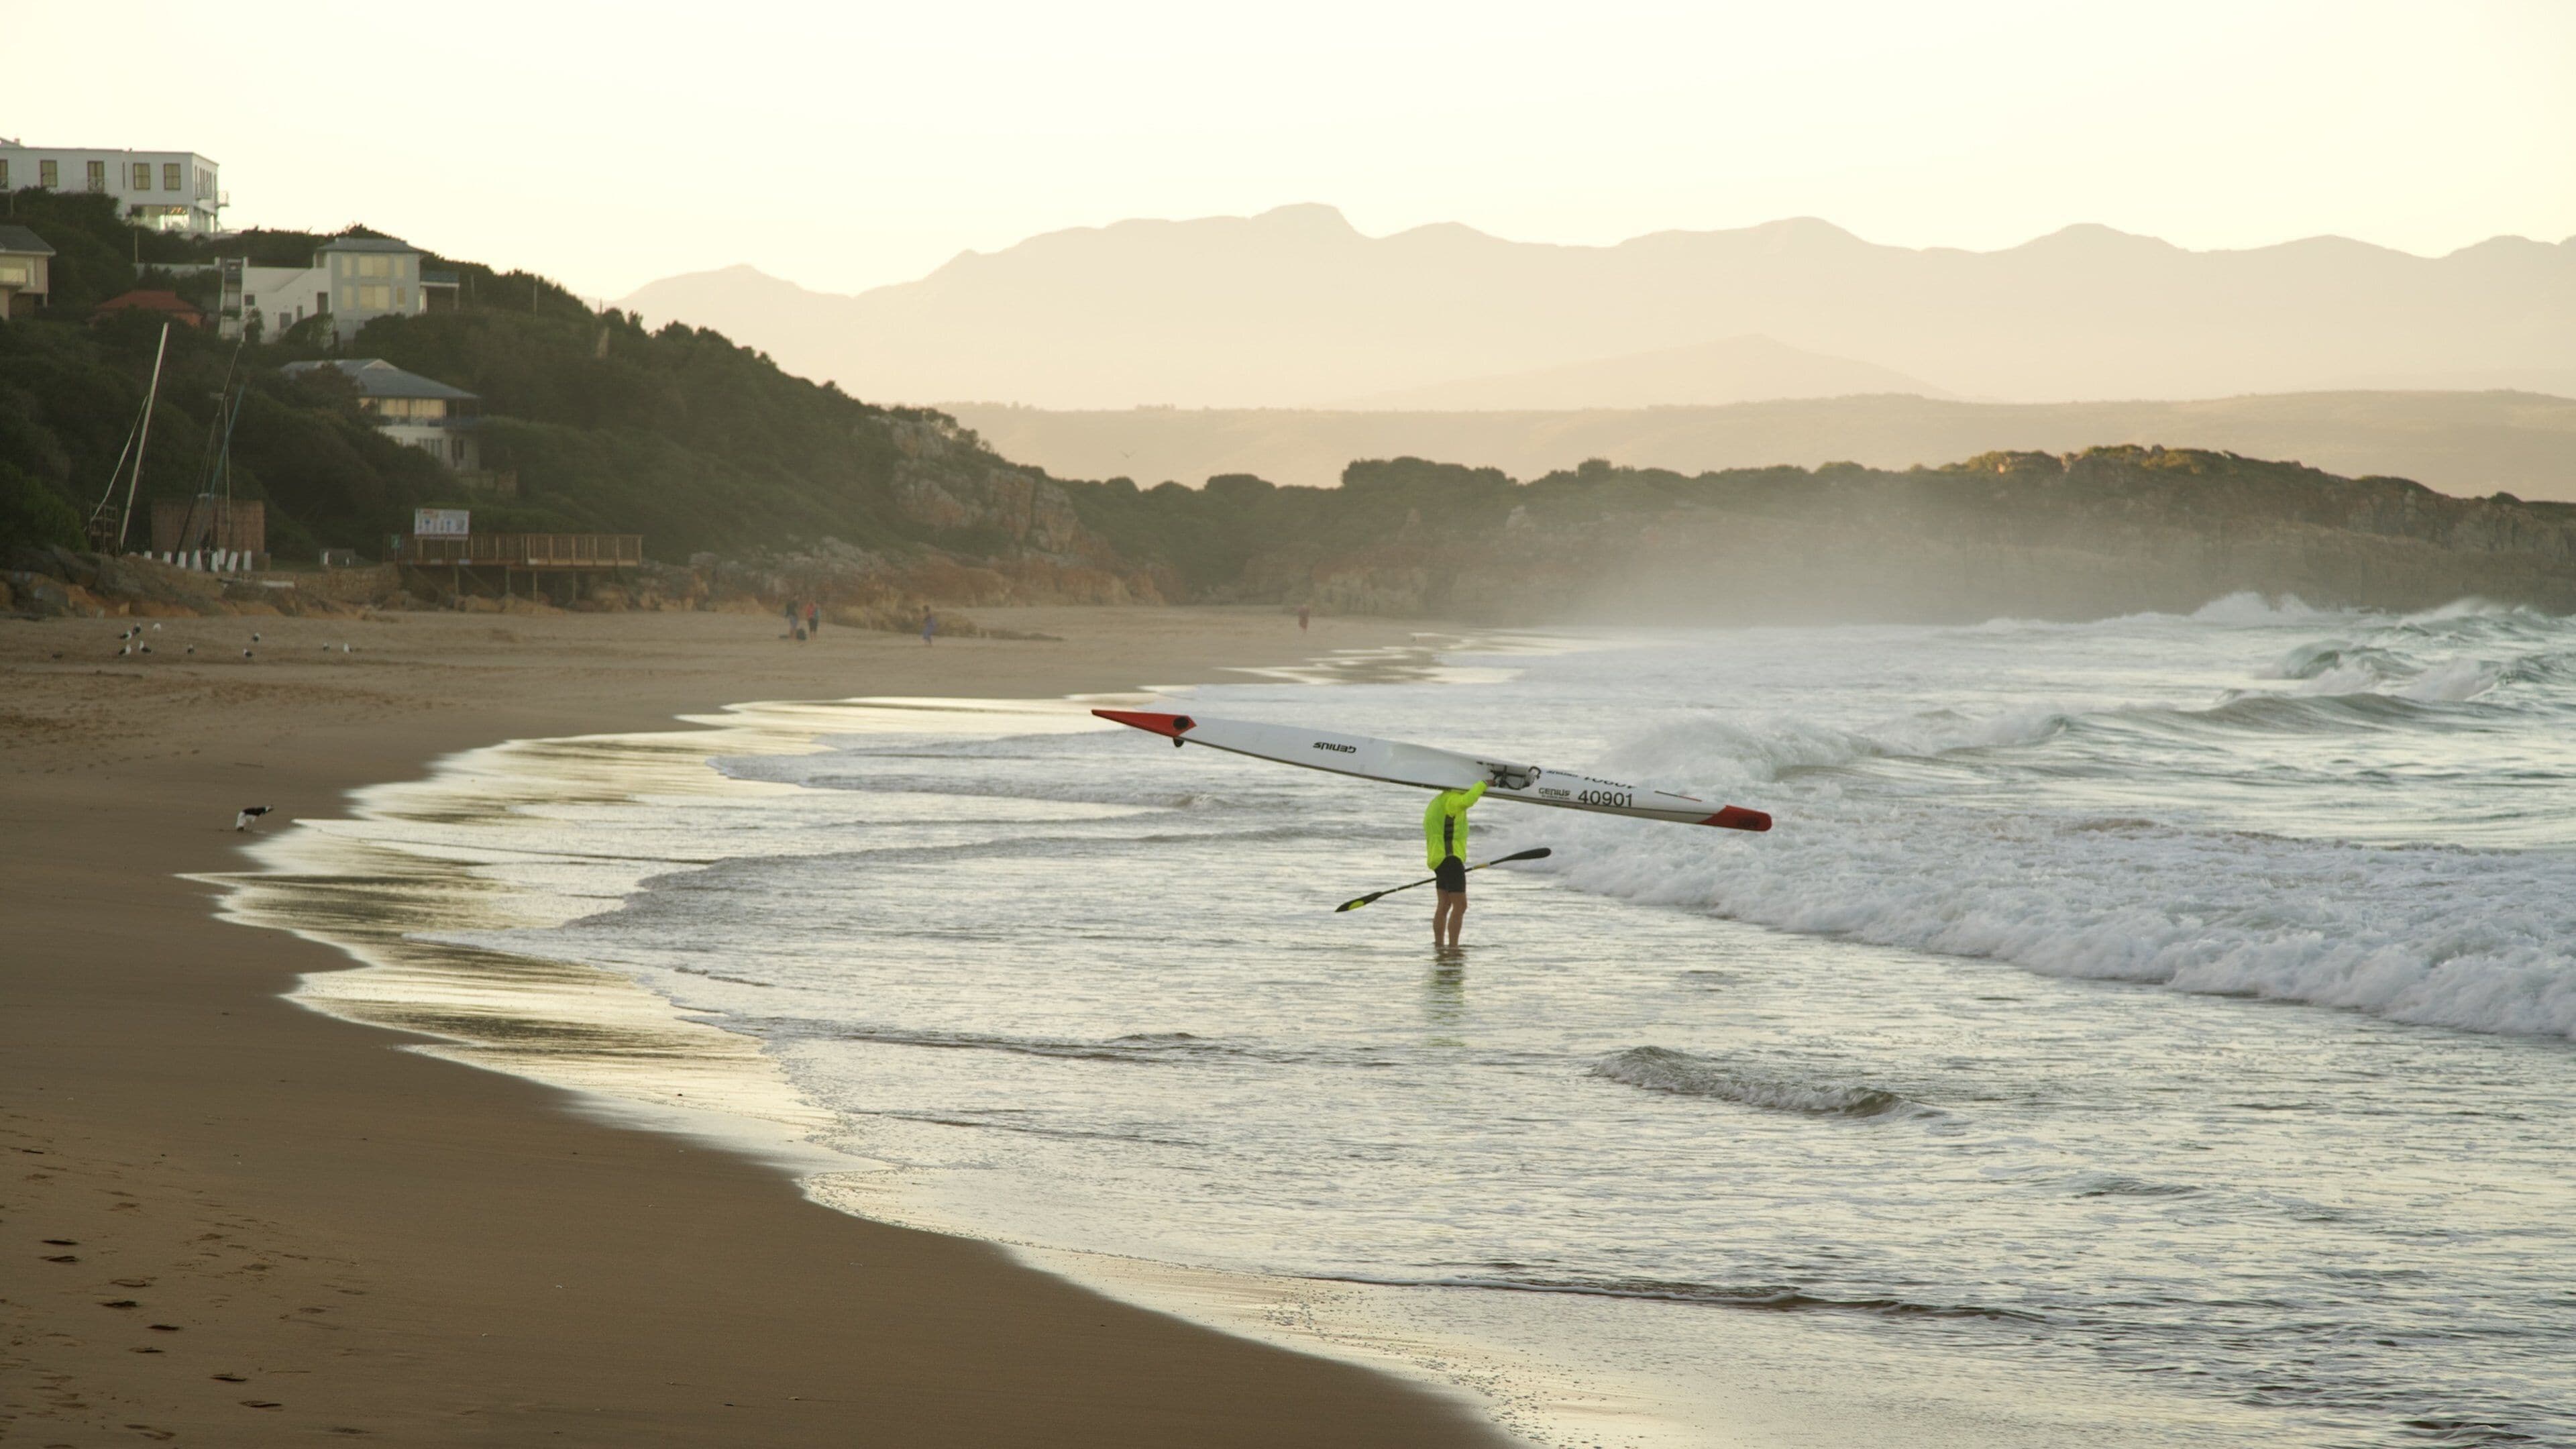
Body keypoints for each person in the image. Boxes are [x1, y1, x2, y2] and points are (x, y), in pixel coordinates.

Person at [1422, 779, 1487, 947]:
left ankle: (1439, 945)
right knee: (1461, 906)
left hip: (1439, 860)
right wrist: (1484, 784)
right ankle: (1453, 948)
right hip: (1450, 858)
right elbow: (1468, 801)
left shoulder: (1437, 801)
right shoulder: (1451, 800)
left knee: (1444, 904)